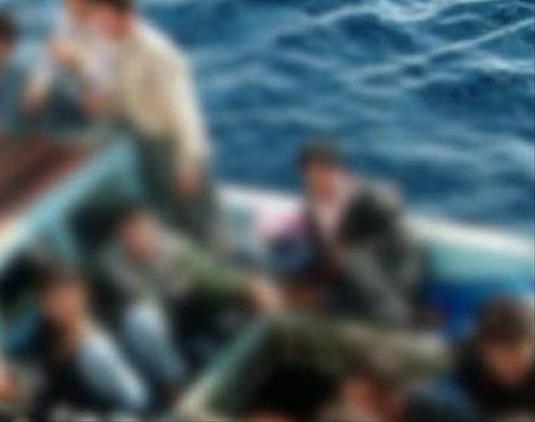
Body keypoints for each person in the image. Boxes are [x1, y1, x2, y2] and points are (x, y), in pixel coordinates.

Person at [90, 0, 216, 243]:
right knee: (170, 222)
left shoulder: (157, 53)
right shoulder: (118, 49)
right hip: (149, 147)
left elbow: (185, 114)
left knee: (200, 226)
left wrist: (188, 165)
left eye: (104, 19)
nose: (98, 26)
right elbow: (129, 99)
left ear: (126, 16)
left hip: (176, 150)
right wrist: (107, 104)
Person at [98, 205, 281, 370]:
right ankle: (173, 381)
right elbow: (136, 309)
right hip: (156, 334)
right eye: (131, 234)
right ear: (120, 238)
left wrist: (247, 286)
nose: (140, 238)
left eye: (144, 230)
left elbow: (211, 275)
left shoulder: (175, 248)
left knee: (250, 272)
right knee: (144, 322)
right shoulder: (111, 267)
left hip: (188, 312)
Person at [296, 140, 419, 326]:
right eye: (310, 174)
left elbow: (392, 206)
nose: (317, 180)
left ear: (339, 171)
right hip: (348, 283)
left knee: (356, 262)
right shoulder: (313, 205)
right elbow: (325, 253)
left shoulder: (368, 197)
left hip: (390, 276)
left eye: (324, 171)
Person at [25, 264, 148, 416]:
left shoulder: (105, 303)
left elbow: (131, 314)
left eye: (62, 295)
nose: (58, 306)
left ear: (80, 291)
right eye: (49, 301)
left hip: (137, 390)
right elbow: (49, 389)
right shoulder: (45, 341)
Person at [25, 0, 117, 127]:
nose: (66, 2)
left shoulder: (111, 29)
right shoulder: (67, 16)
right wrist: (39, 86)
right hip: (76, 92)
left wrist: (79, 60)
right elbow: (50, 57)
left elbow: (112, 78)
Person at [452, 297, 535, 419]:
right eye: (502, 358)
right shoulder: (466, 370)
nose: (510, 365)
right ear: (483, 353)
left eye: (518, 356)